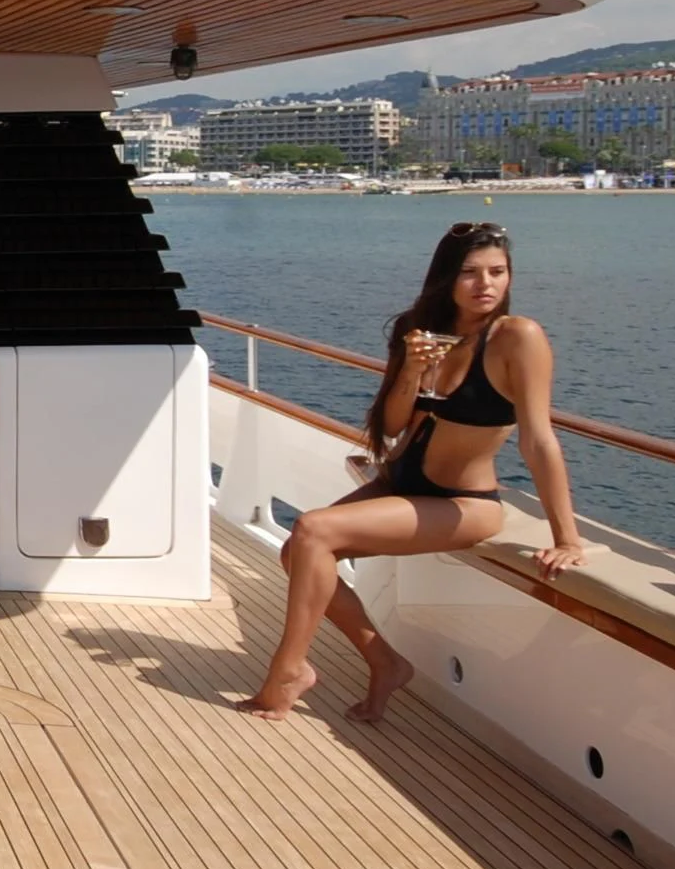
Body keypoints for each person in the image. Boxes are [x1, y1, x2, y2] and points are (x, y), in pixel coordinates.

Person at [241, 220, 587, 722]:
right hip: (398, 483)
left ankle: (288, 670)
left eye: (497, 272)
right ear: (446, 277)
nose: (485, 284)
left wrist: (567, 538)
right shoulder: (419, 330)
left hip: (463, 503)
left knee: (312, 530)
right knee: (297, 550)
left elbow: (538, 439)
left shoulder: (517, 338)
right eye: (470, 272)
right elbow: (390, 426)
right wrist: (410, 368)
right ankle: (385, 662)